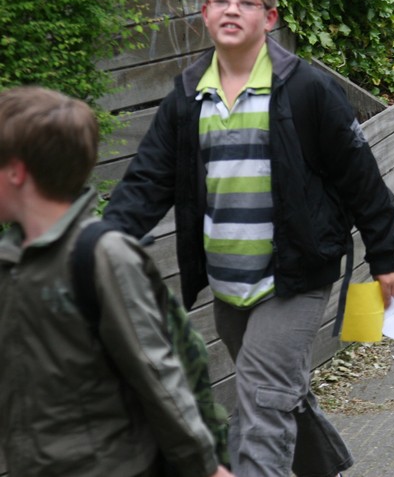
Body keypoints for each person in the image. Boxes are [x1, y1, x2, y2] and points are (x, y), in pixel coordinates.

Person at [103, 0, 394, 477]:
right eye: (220, 0)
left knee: (263, 399)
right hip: (228, 284)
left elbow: (359, 177)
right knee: (280, 392)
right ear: (204, 13)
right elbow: (147, 181)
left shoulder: (306, 90)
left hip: (296, 276)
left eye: (246, 2)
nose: (231, 9)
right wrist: (100, 243)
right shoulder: (187, 98)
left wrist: (384, 255)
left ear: (269, 18)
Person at [0, 86, 234, 477]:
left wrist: (205, 465)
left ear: (16, 172)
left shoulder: (103, 255)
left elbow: (156, 371)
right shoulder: (10, 262)